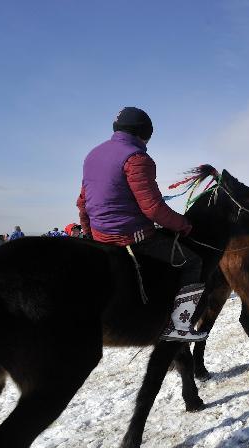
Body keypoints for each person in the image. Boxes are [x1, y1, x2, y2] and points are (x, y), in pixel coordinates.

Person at [77, 106, 206, 342]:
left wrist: (89, 233)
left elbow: (82, 202)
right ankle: (180, 325)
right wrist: (184, 225)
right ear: (143, 132)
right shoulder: (137, 158)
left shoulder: (92, 155)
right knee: (192, 261)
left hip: (99, 236)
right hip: (131, 237)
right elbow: (153, 208)